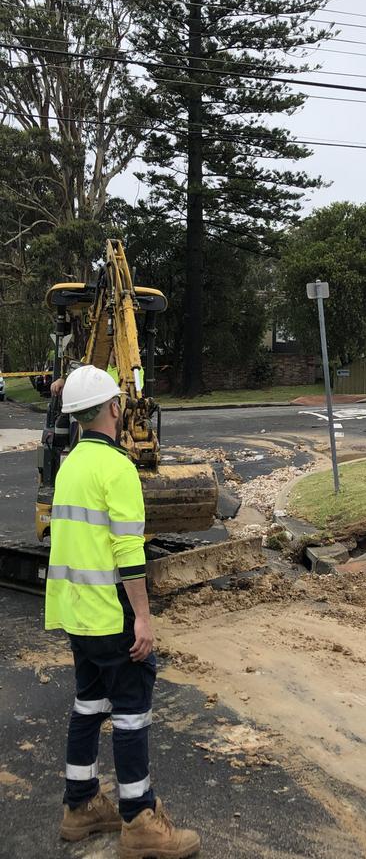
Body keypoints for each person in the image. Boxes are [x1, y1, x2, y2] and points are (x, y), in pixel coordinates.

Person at [45, 365, 200, 858]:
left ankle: (81, 805)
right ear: (114, 408)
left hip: (76, 613)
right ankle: (139, 823)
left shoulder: (70, 464)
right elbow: (128, 553)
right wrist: (144, 618)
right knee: (131, 713)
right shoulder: (117, 468)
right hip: (110, 614)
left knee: (88, 705)